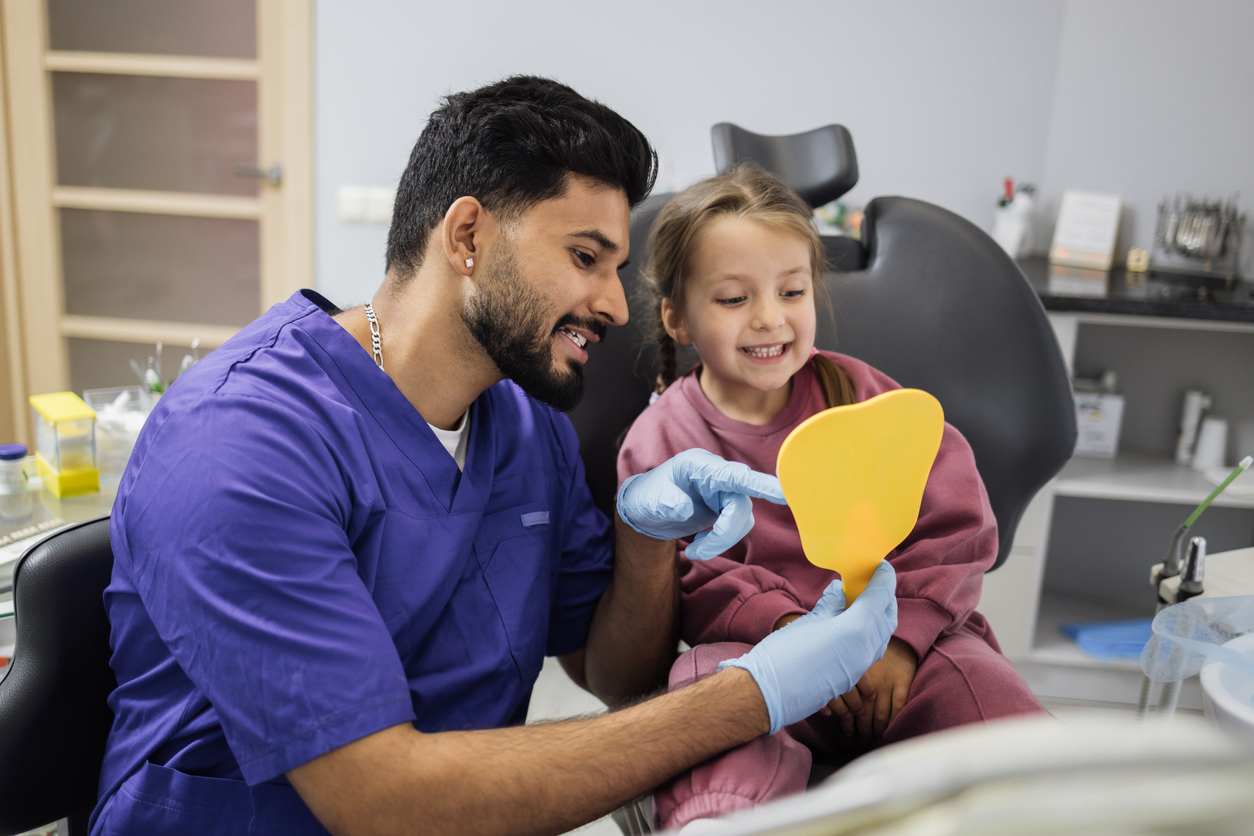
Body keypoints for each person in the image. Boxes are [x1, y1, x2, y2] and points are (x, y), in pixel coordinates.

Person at [90, 78, 899, 836]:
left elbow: (611, 671)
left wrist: (646, 540)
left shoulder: (521, 419)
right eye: (586, 258)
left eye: (617, 269)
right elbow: (381, 798)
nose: (616, 305)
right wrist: (751, 695)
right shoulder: (239, 444)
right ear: (468, 235)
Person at [617, 165, 1046, 831]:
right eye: (733, 299)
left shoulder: (869, 400)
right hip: (759, 659)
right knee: (701, 698)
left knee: (976, 682)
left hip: (897, 649)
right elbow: (692, 579)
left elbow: (951, 529)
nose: (769, 318)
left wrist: (900, 642)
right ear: (678, 317)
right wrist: (793, 637)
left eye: (792, 291)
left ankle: (1028, 809)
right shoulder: (664, 440)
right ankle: (721, 820)